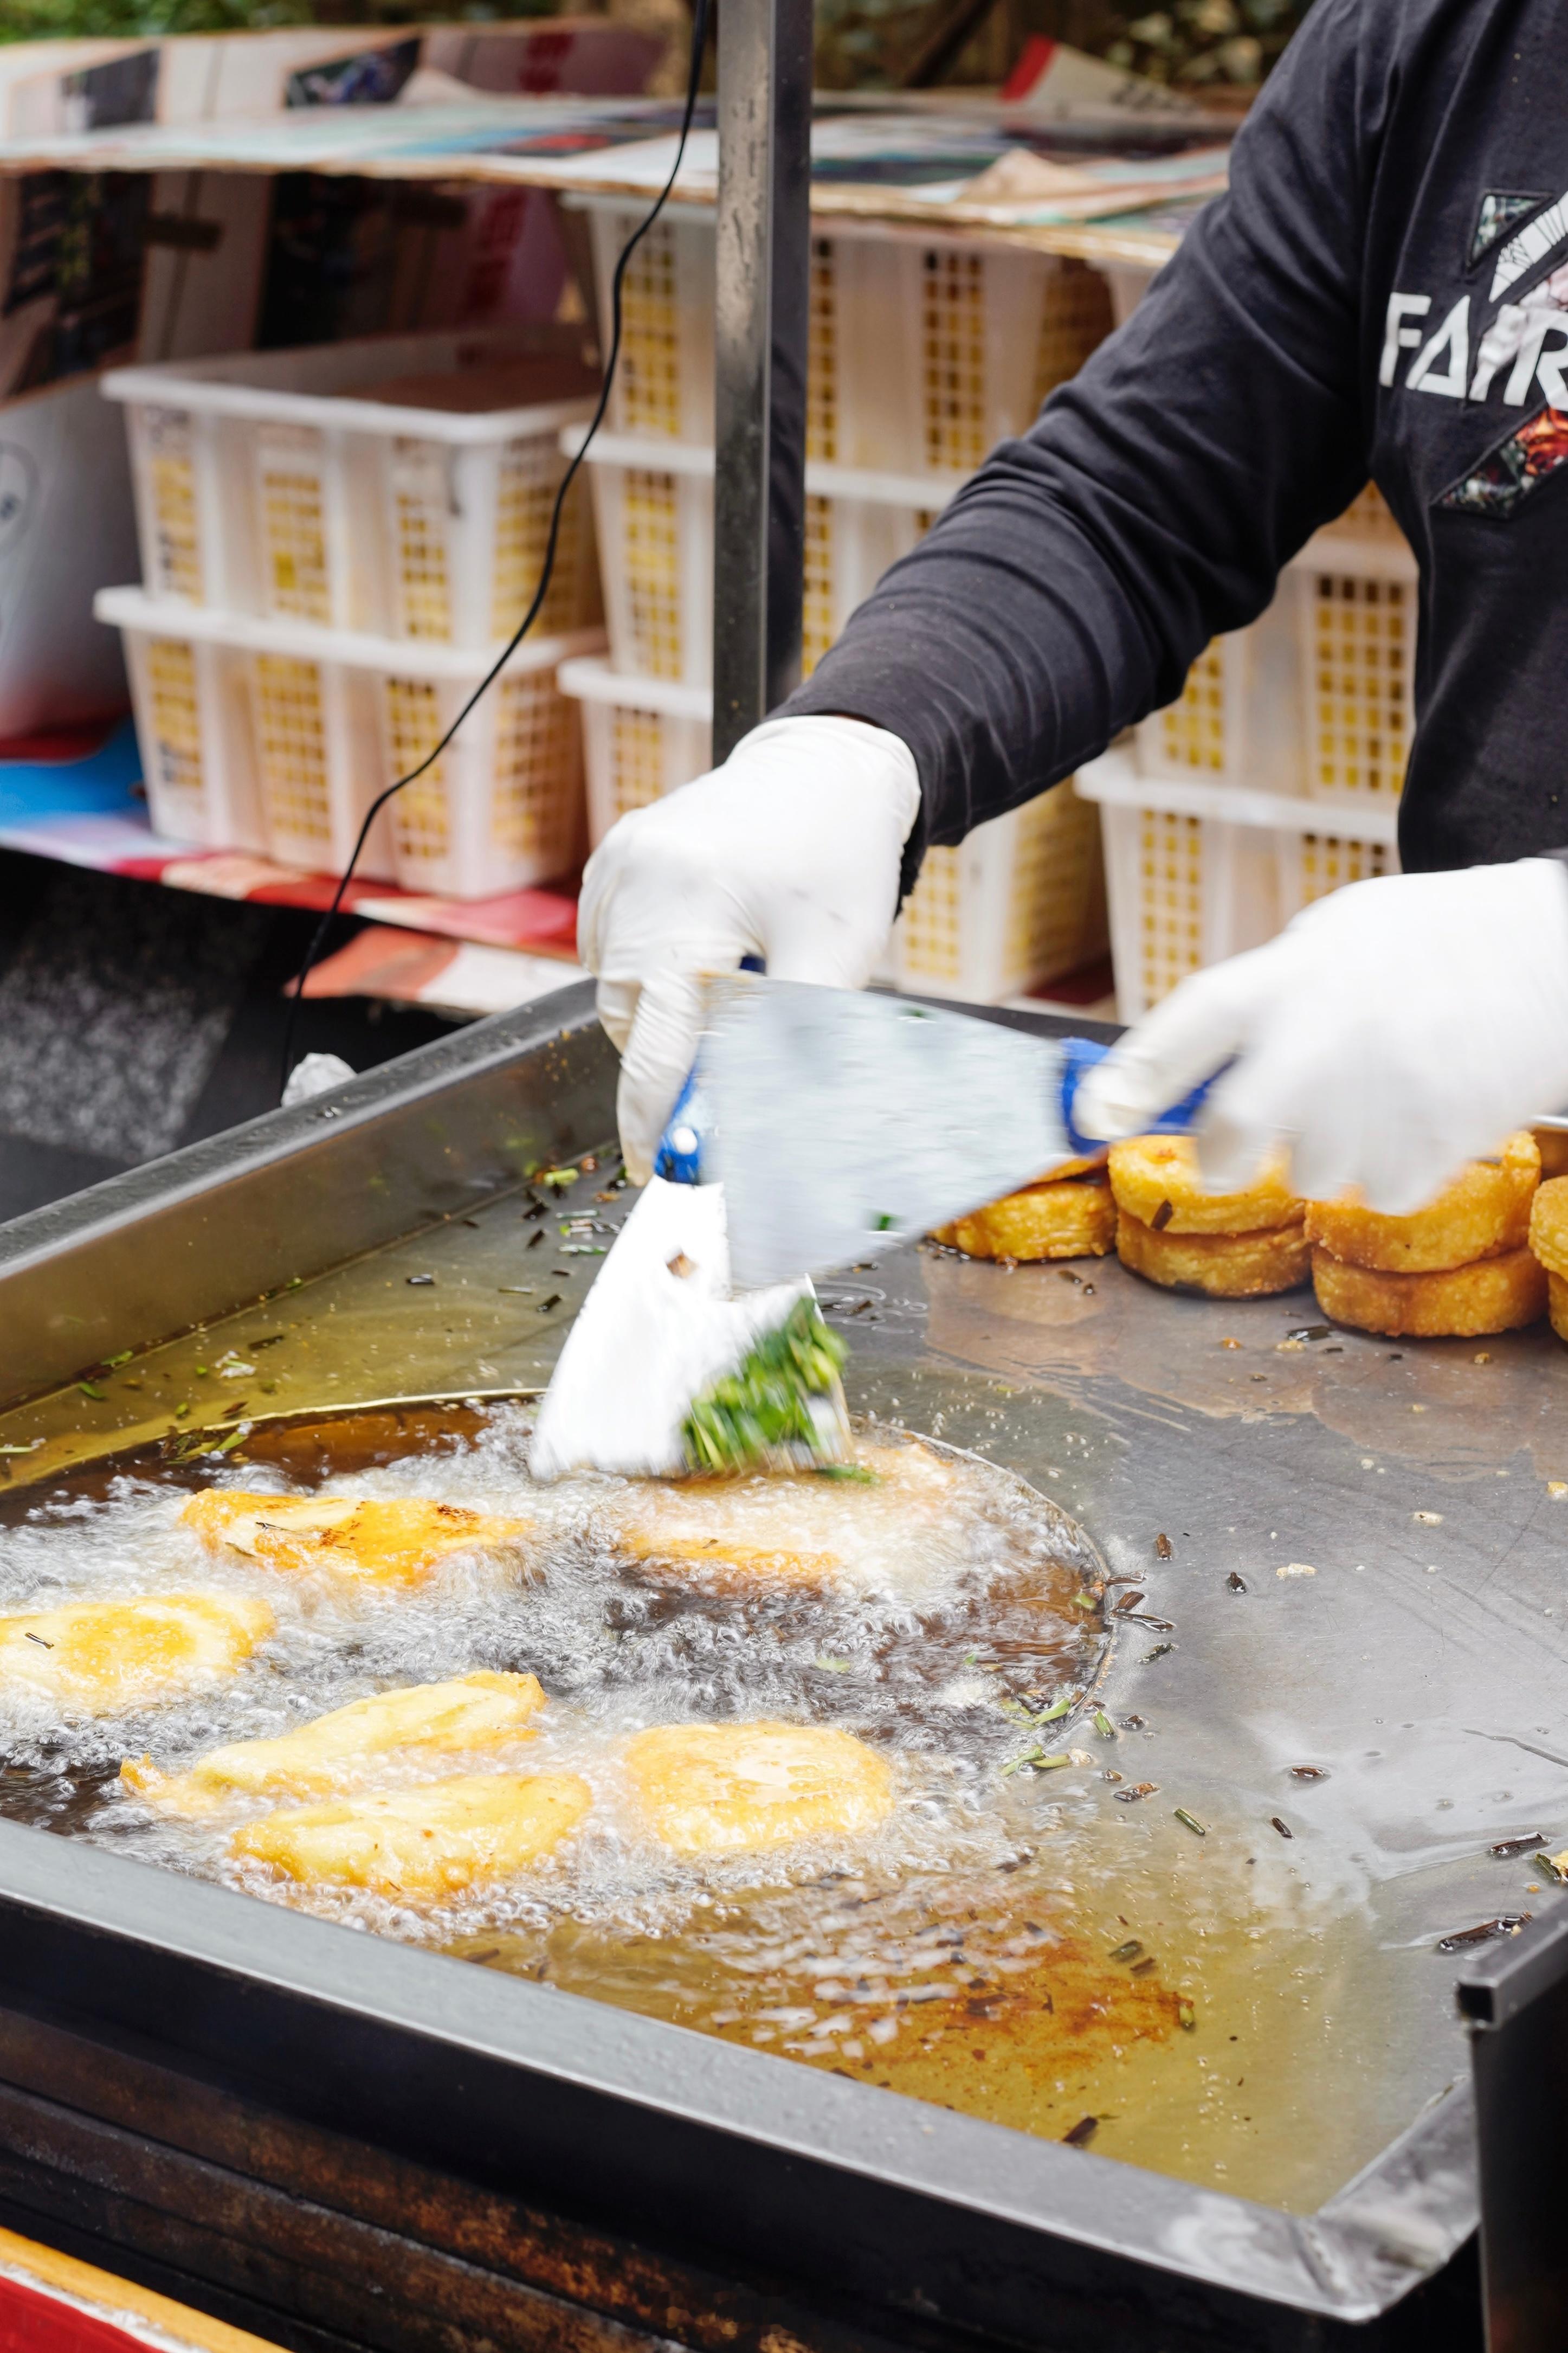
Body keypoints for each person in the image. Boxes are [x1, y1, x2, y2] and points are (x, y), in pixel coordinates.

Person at [581, 0, 1568, 1216]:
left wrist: (1548, 952)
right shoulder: (1432, 37)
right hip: (1488, 1182)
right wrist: (859, 741)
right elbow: (1138, 494)